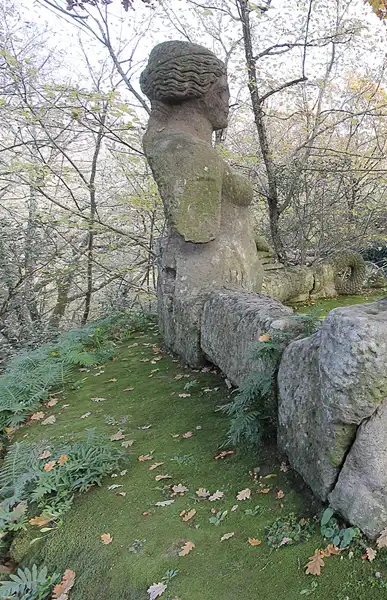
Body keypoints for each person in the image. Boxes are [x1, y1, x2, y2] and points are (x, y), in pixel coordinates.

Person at [141, 41, 262, 365]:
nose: (227, 101)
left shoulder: (171, 143)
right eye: (221, 91)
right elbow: (199, 229)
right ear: (195, 93)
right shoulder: (191, 153)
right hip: (218, 284)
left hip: (225, 278)